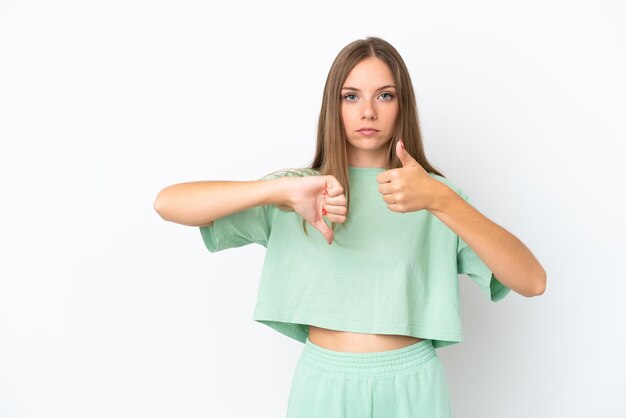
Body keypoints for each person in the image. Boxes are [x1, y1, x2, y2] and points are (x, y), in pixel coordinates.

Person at [154, 36, 546, 418]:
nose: (368, 112)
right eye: (351, 96)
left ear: (402, 105)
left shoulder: (431, 195)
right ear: (334, 106)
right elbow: (168, 204)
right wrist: (281, 190)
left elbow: (532, 281)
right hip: (324, 385)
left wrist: (441, 200)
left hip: (413, 386)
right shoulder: (297, 192)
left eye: (385, 95)